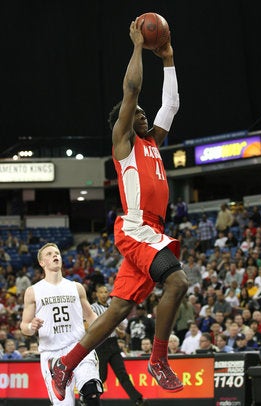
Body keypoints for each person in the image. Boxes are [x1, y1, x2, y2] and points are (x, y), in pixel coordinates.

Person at [47, 17, 188, 401]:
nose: (144, 115)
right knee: (177, 281)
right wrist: (139, 47)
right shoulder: (124, 144)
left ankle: (66, 365)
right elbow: (132, 88)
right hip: (137, 228)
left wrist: (169, 58)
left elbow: (171, 103)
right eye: (138, 114)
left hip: (151, 230)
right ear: (125, 124)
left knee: (116, 311)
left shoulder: (153, 142)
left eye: (144, 113)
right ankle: (158, 360)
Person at [20, 243, 102, 405]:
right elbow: (24, 326)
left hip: (78, 347)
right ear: (42, 263)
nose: (55, 256)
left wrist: (107, 330)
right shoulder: (33, 291)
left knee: (91, 392)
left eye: (57, 253)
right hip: (52, 354)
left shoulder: (76, 287)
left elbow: (91, 316)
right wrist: (31, 327)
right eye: (49, 254)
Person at [91, 285, 147, 406]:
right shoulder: (93, 308)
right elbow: (94, 325)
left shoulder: (112, 306)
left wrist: (119, 329)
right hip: (100, 344)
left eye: (106, 292)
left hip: (113, 343)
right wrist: (115, 328)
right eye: (101, 292)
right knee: (102, 376)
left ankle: (138, 399)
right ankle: (89, 398)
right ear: (96, 294)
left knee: (122, 374)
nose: (104, 294)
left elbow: (122, 323)